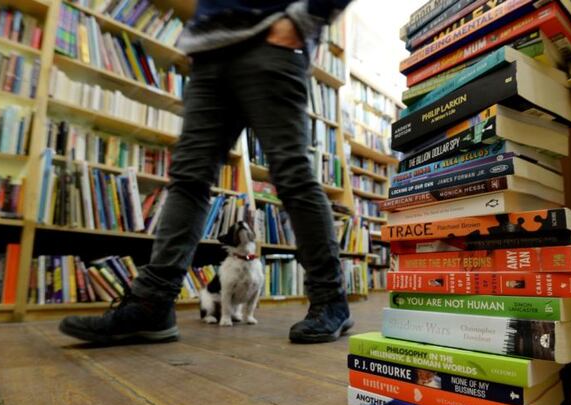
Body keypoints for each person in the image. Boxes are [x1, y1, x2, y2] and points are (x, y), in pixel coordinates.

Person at [59, 0, 354, 345]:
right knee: (187, 179)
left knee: (292, 176)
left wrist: (310, 16)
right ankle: (151, 304)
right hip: (209, 54)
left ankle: (330, 299)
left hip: (271, 43)